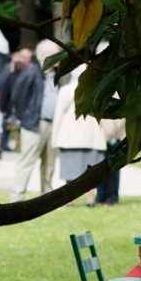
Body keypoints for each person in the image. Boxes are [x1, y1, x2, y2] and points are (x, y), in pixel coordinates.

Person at [8, 41, 61, 201]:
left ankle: (47, 194)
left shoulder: (58, 74)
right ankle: (17, 194)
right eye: (55, 54)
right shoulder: (31, 72)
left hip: (53, 123)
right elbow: (17, 98)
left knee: (50, 162)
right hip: (34, 124)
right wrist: (26, 116)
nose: (59, 57)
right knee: (27, 160)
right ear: (44, 56)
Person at [52, 67, 106, 207]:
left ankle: (70, 200)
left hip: (70, 137)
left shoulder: (65, 90)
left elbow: (58, 115)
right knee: (92, 171)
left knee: (70, 170)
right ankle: (90, 200)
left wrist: (55, 138)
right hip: (93, 137)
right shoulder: (97, 90)